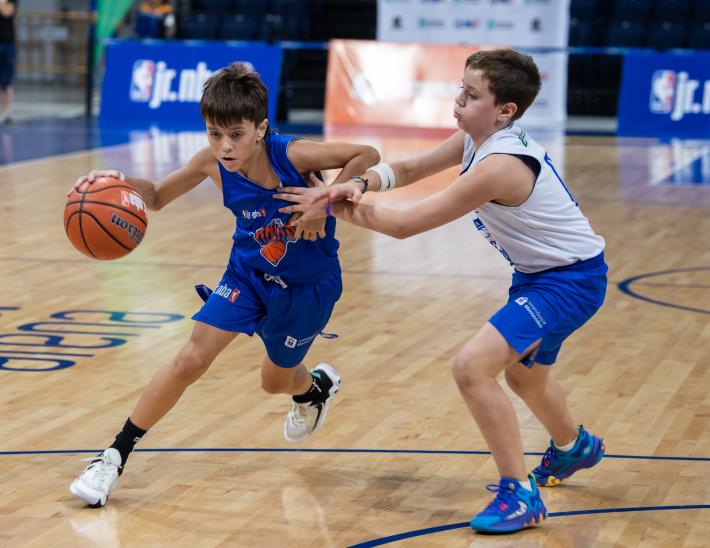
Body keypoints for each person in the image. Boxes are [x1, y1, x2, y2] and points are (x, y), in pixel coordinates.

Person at [274, 49, 607, 534]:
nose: (458, 100)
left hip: (570, 282)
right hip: (543, 277)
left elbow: (407, 224)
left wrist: (330, 203)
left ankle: (520, 494)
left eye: (471, 95)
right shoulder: (475, 139)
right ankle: (574, 446)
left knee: (472, 367)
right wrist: (361, 182)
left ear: (505, 110)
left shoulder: (500, 165)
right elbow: (406, 171)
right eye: (460, 89)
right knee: (525, 381)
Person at [69, 62, 380, 508]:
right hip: (246, 276)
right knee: (189, 359)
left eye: (236, 133)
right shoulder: (211, 164)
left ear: (261, 128)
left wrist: (327, 199)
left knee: (273, 382)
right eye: (215, 134)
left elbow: (367, 153)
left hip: (307, 287)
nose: (225, 145)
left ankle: (314, 390)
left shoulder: (292, 155)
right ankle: (114, 455)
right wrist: (110, 182)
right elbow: (154, 197)